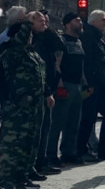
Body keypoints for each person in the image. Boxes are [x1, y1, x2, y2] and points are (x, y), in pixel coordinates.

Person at [0, 20, 48, 189]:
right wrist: (28, 20)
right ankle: (6, 180)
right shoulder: (13, 52)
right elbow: (20, 38)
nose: (30, 37)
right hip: (16, 107)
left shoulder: (31, 53)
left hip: (32, 107)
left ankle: (21, 178)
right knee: (12, 146)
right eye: (27, 34)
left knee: (28, 144)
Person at [77, 10, 105, 162]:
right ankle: (81, 150)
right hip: (92, 86)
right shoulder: (87, 36)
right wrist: (88, 83)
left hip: (101, 85)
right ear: (93, 21)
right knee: (88, 118)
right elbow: (87, 63)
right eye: (102, 20)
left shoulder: (97, 38)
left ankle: (103, 149)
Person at [47, 13, 85, 167]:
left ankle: (69, 153)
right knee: (58, 122)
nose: (80, 23)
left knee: (74, 122)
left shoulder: (79, 42)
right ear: (67, 24)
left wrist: (85, 83)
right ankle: (51, 155)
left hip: (77, 86)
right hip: (65, 85)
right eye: (77, 20)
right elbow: (57, 64)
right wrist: (60, 84)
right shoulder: (61, 41)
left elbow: (80, 65)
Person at [30, 11, 62, 176]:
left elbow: (60, 45)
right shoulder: (32, 40)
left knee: (46, 127)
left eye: (46, 21)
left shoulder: (47, 37)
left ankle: (41, 161)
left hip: (48, 88)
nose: (44, 23)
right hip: (38, 92)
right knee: (37, 130)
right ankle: (34, 163)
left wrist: (47, 29)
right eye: (41, 21)